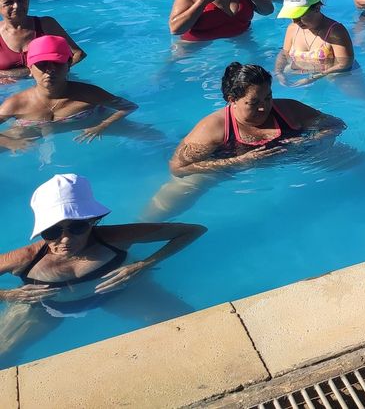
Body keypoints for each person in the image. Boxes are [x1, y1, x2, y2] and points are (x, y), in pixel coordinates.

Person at [0, 174, 204, 355]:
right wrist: (7, 295)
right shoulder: (25, 258)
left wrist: (145, 264)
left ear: (92, 221)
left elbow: (193, 231)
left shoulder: (116, 237)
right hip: (45, 307)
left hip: (117, 294)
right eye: (52, 231)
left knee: (187, 324)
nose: (65, 239)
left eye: (77, 227)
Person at [167, 62, 345, 176]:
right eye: (254, 103)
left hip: (297, 165)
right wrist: (237, 162)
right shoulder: (213, 128)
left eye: (268, 98)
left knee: (353, 164)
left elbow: (337, 125)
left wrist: (311, 141)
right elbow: (178, 168)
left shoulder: (289, 110)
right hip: (230, 176)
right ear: (232, 100)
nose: (264, 107)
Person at [0, 36, 137, 145]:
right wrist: (8, 143)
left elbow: (129, 107)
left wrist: (102, 125)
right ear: (30, 68)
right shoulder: (14, 104)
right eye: (42, 64)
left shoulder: (88, 94)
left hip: (90, 125)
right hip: (32, 133)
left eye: (57, 63)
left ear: (69, 65)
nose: (50, 70)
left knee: (147, 135)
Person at [0, 0, 85, 81]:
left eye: (22, 0)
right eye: (8, 2)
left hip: (51, 84)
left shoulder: (45, 25)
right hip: (8, 88)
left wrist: (58, 71)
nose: (16, 6)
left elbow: (78, 54)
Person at [274, 0, 354, 86]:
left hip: (332, 78)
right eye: (292, 16)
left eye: (299, 15)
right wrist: (279, 73)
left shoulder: (336, 32)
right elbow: (284, 54)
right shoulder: (292, 29)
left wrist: (313, 78)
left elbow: (344, 64)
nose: (295, 21)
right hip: (300, 77)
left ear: (317, 8)